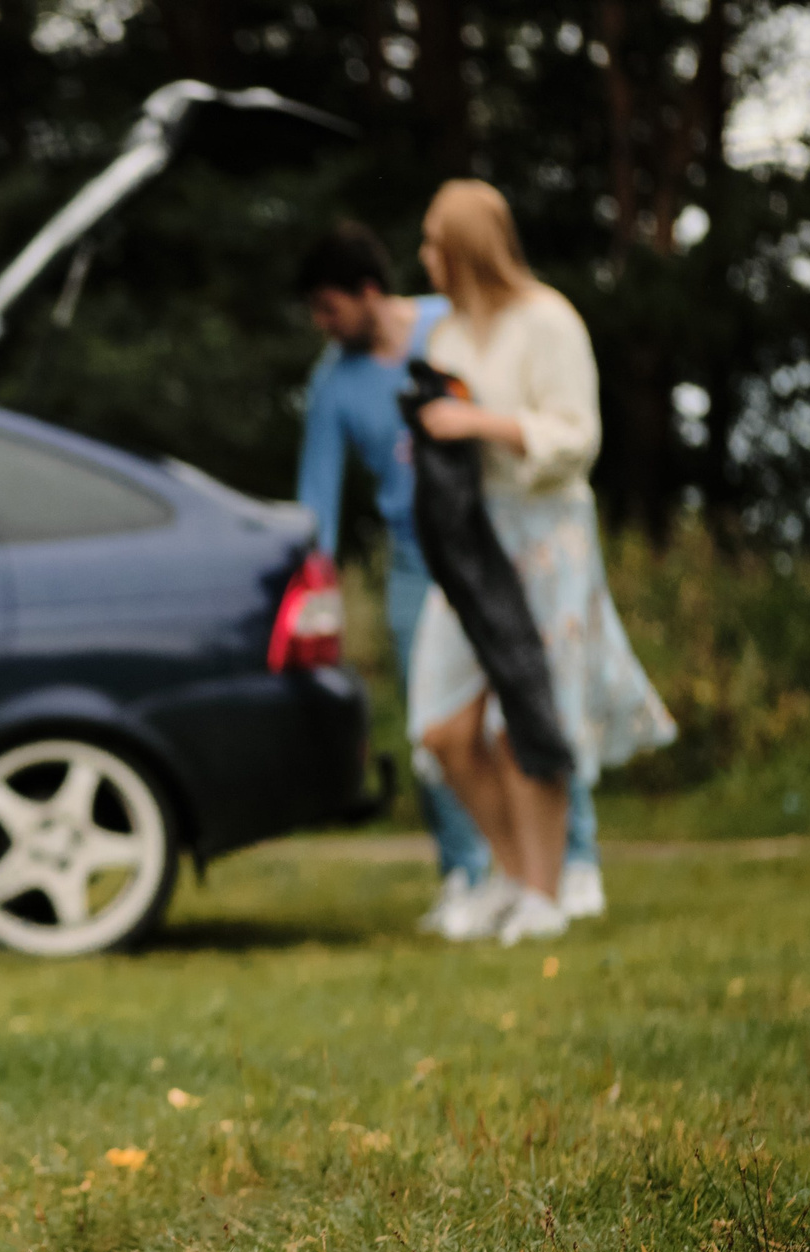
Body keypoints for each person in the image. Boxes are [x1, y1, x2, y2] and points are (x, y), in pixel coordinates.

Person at [292, 222, 606, 934]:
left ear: (368, 293)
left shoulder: (450, 326)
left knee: (530, 701)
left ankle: (571, 863)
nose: (321, 323)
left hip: (496, 542)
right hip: (415, 559)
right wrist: (315, 579)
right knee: (435, 725)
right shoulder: (332, 382)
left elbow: (537, 423)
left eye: (328, 306)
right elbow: (318, 495)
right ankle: (469, 873)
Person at [403, 183, 675, 945]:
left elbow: (577, 437)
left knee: (525, 714)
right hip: (472, 541)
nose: (424, 256)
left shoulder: (549, 321)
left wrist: (478, 422)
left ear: (464, 249)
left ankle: (544, 894)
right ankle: (512, 873)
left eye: (433, 241)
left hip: (547, 537)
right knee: (442, 725)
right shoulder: (449, 335)